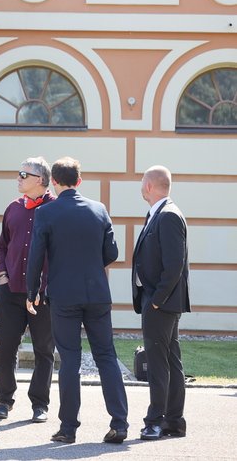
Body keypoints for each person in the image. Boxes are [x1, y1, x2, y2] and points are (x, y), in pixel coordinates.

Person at [26, 157, 128, 445]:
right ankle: (119, 423)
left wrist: (31, 291)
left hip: (63, 294)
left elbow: (35, 257)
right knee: (107, 356)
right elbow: (112, 253)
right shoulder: (99, 209)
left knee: (69, 359)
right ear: (79, 181)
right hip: (97, 293)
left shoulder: (46, 213)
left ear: (54, 182)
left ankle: (68, 428)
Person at [0, 157, 54, 422]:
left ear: (40, 180)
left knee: (44, 350)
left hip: (42, 295)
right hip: (11, 291)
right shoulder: (13, 208)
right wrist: (2, 274)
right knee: (6, 347)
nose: (18, 177)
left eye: (24, 174)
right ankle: (4, 401)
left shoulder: (55, 210)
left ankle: (40, 404)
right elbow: (2, 246)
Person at [132, 165, 190, 441]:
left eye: (142, 182)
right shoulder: (160, 213)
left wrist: (156, 301)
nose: (141, 187)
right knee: (170, 359)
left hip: (161, 303)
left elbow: (174, 265)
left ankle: (155, 421)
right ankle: (174, 422)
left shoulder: (167, 216)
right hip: (160, 301)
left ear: (149, 186)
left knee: (158, 364)